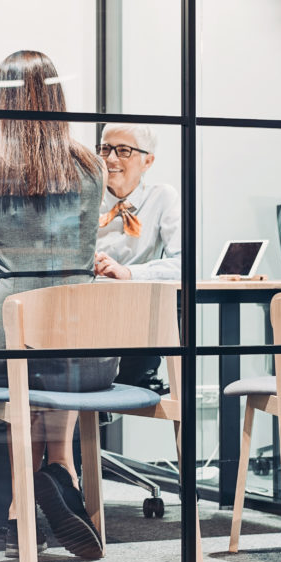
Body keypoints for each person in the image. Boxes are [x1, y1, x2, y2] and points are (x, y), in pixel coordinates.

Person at [0, 51, 116, 561]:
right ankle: (62, 470)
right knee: (58, 347)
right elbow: (81, 251)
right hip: (90, 349)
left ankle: (19, 508)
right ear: (57, 98)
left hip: (15, 333)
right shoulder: (90, 163)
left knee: (22, 361)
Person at [92, 122, 182, 389]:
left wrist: (129, 273)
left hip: (136, 319)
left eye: (123, 150)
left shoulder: (162, 197)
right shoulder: (84, 196)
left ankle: (117, 392)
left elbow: (184, 265)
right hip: (88, 315)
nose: (110, 159)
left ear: (148, 161)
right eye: (105, 149)